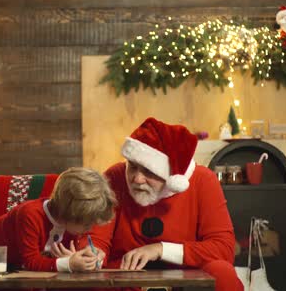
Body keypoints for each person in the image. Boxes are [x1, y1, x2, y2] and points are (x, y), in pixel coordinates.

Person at [94, 117, 243, 291]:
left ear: (173, 176)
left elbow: (223, 249)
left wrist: (160, 249)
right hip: (126, 278)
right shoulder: (115, 176)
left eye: (149, 171)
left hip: (187, 280)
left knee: (222, 272)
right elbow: (96, 237)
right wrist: (91, 254)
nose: (137, 179)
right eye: (132, 167)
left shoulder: (203, 181)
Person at [0, 167, 117, 272]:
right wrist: (68, 263)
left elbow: (55, 259)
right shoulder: (29, 214)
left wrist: (88, 257)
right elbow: (30, 262)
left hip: (17, 269)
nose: (89, 229)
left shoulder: (70, 223)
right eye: (86, 224)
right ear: (67, 214)